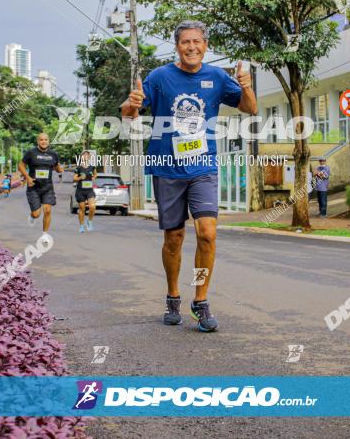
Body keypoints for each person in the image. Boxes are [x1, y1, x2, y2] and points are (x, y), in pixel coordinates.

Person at [121, 20, 257, 332]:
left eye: (197, 42)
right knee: (174, 238)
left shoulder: (217, 77)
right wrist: (132, 104)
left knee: (207, 233)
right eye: (185, 42)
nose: (192, 47)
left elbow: (250, 108)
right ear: (177, 46)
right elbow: (128, 113)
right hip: (167, 166)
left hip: (203, 166)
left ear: (205, 45)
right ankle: (172, 295)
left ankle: (201, 299)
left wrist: (246, 84)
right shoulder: (159, 77)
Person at [18, 133, 64, 238]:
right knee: (36, 214)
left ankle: (45, 234)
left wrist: (59, 169)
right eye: (41, 140)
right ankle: (32, 216)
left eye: (46, 139)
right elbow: (21, 165)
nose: (44, 141)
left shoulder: (53, 154)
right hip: (33, 187)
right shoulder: (31, 153)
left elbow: (57, 167)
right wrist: (27, 177)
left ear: (49, 141)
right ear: (38, 141)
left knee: (47, 210)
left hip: (47, 187)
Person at [73, 150, 98, 233]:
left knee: (92, 206)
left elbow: (95, 174)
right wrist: (80, 178)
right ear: (82, 157)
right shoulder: (78, 168)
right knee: (82, 208)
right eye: (84, 155)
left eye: (87, 155)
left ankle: (89, 221)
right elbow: (74, 178)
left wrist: (94, 177)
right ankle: (81, 226)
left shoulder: (92, 167)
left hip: (89, 190)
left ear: (89, 157)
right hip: (80, 191)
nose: (86, 156)